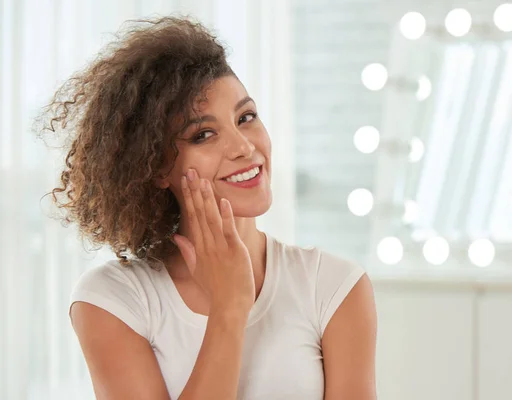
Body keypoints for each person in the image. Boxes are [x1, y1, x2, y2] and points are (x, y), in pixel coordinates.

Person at [39, 16, 377, 400]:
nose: (244, 147)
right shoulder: (114, 300)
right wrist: (229, 308)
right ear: (156, 167)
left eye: (245, 117)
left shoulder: (333, 286)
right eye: (204, 134)